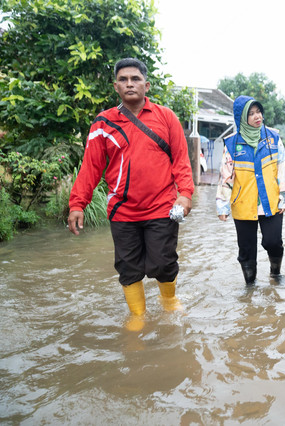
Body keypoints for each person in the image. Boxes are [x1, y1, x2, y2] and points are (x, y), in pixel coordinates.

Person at [67, 58, 194, 331]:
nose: (129, 84)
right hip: (122, 211)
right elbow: (90, 167)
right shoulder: (103, 124)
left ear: (146, 85)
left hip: (162, 206)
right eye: (123, 80)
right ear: (116, 87)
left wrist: (185, 194)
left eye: (135, 79)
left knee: (163, 262)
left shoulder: (166, 117)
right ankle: (137, 315)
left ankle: (169, 301)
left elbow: (181, 161)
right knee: (128, 267)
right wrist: (78, 203)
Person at [216, 95, 285, 284]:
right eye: (251, 114)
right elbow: (226, 175)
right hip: (243, 203)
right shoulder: (231, 144)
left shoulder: (273, 137)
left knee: (273, 242)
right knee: (246, 250)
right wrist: (222, 204)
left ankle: (275, 273)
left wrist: (283, 196)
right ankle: (250, 287)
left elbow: (281, 168)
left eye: (258, 112)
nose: (257, 116)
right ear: (241, 118)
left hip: (271, 201)